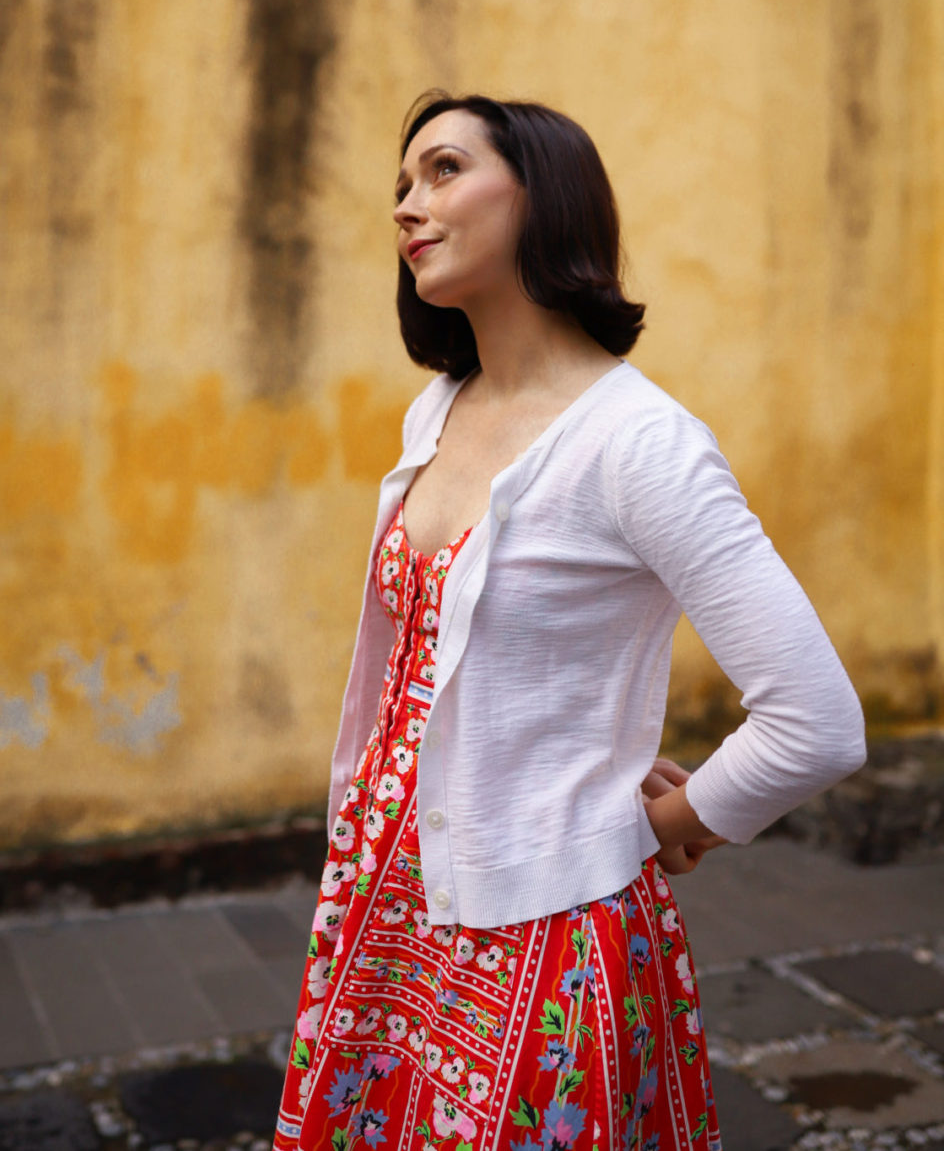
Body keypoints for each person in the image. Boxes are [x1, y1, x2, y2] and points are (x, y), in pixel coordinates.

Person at [273, 93, 866, 1151]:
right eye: (403, 185)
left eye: (445, 170)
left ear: (542, 197)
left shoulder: (640, 445)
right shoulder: (440, 407)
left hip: (539, 931)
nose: (410, 205)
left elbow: (815, 721)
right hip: (385, 910)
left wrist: (655, 827)